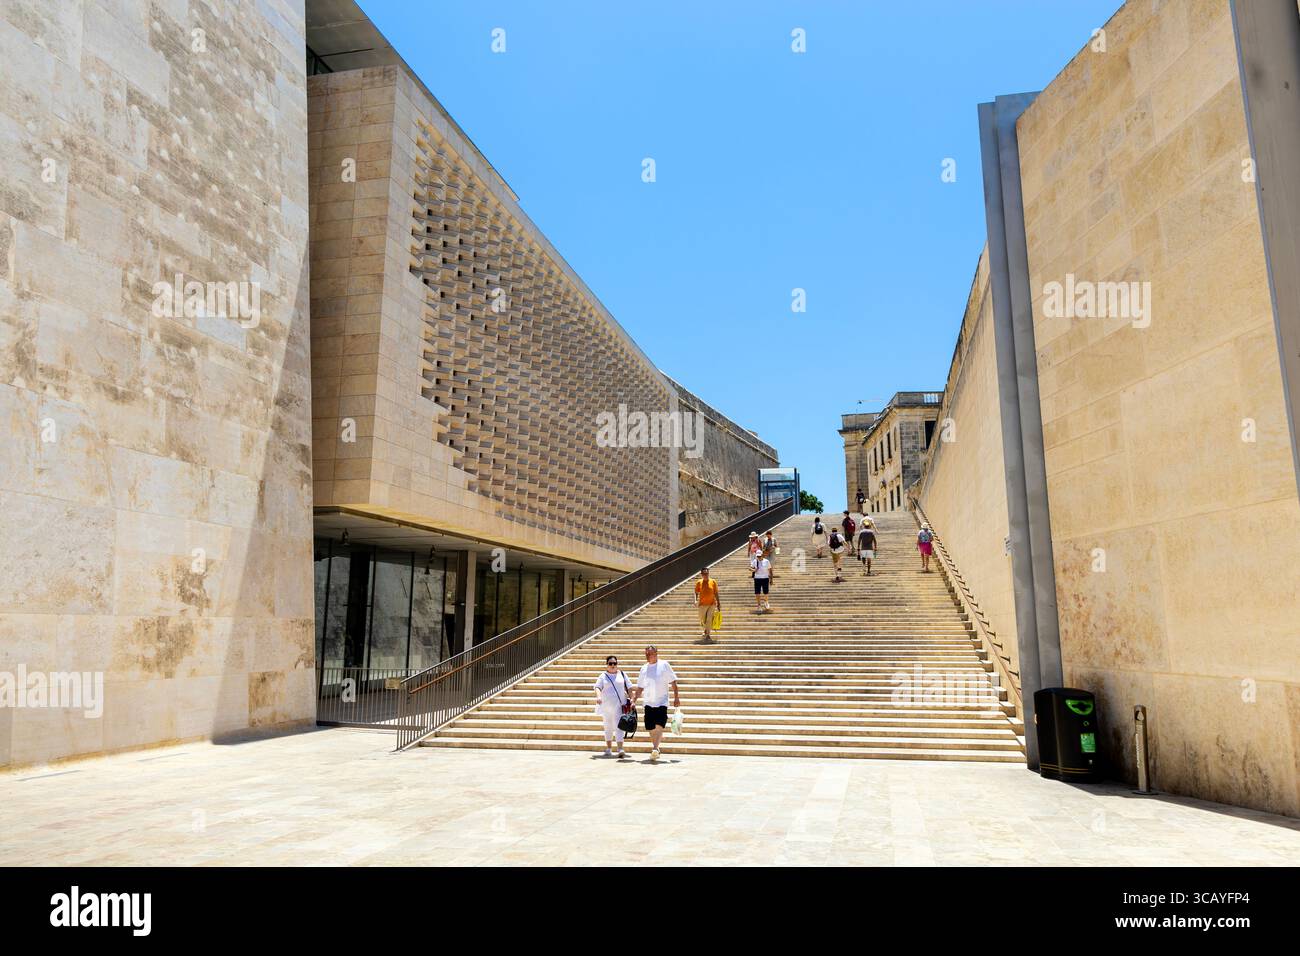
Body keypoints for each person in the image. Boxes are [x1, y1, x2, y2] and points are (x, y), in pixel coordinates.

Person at [633, 645, 679, 762]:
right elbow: (640, 687)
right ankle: (656, 749)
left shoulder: (664, 665)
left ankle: (655, 748)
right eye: (646, 654)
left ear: (656, 653)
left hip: (661, 701)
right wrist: (633, 700)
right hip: (648, 702)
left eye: (650, 653)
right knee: (651, 728)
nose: (648, 656)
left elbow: (673, 682)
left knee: (659, 726)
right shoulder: (644, 668)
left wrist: (676, 697)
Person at [593, 655, 632, 758]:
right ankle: (609, 748)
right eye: (610, 663)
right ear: (607, 665)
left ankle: (620, 749)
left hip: (619, 705)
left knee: (619, 726)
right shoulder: (603, 676)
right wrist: (598, 697)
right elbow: (597, 687)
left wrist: (632, 699)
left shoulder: (622, 674)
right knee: (608, 727)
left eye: (614, 663)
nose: (613, 665)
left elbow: (629, 687)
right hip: (606, 706)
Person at [694, 566, 721, 643]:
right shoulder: (699, 582)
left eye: (707, 573)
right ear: (701, 574)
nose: (706, 575)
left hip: (712, 604)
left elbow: (716, 593)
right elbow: (696, 592)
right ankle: (705, 630)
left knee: (709, 619)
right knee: (702, 619)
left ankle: (708, 634)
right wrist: (695, 600)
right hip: (702, 604)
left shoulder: (713, 581)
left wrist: (719, 603)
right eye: (704, 574)